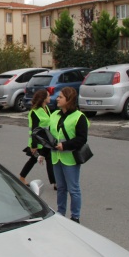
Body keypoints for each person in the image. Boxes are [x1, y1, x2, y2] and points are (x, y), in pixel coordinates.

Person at [49, 87, 89, 224]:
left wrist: (65, 145)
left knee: (73, 189)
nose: (57, 99)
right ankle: (60, 213)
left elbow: (82, 138)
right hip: (56, 156)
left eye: (60, 97)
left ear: (69, 99)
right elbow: (49, 133)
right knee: (60, 187)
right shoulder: (54, 114)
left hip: (70, 158)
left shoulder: (79, 117)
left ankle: (75, 217)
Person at [19, 89, 56, 190]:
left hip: (46, 140)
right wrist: (34, 145)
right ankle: (55, 183)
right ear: (43, 99)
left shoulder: (46, 108)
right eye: (48, 96)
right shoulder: (34, 112)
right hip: (38, 142)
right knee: (40, 159)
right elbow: (34, 129)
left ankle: (22, 177)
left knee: (41, 159)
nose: (50, 98)